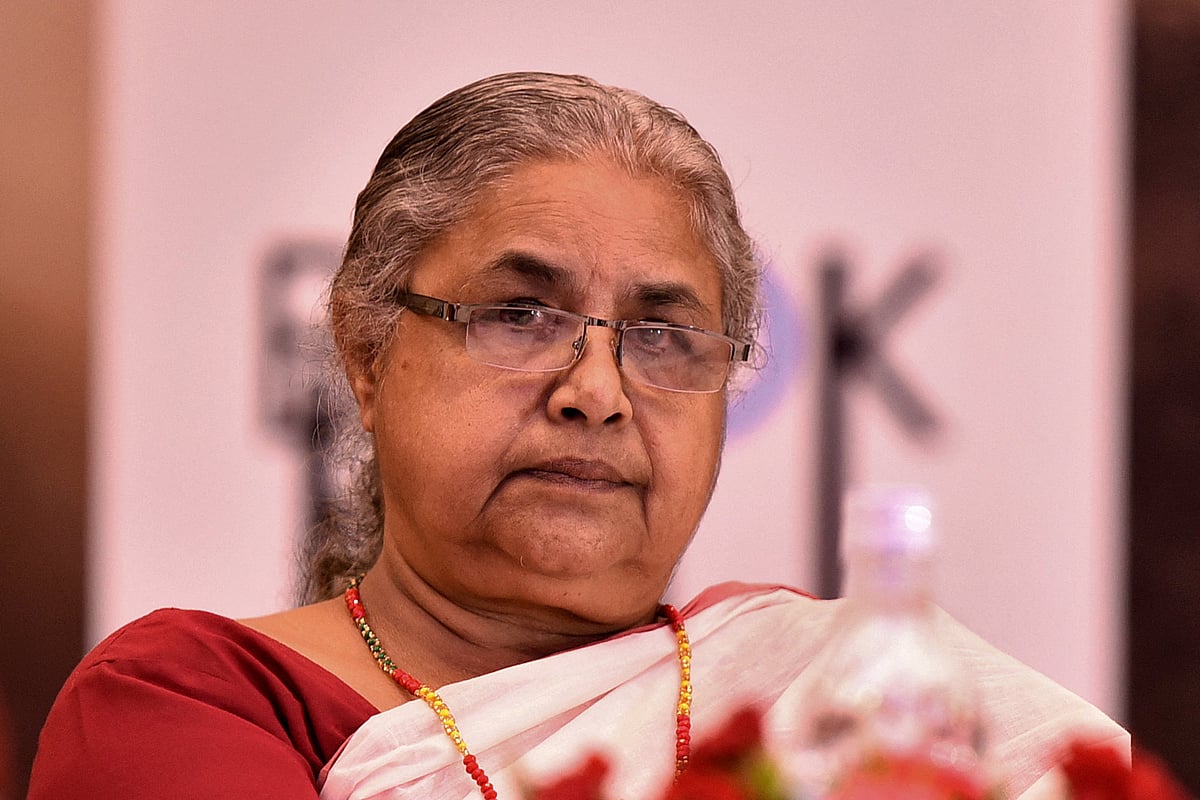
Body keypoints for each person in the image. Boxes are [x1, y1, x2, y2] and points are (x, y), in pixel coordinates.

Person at [28, 72, 1124, 799]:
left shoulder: (829, 689)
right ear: (367, 353)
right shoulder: (188, 697)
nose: (596, 389)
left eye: (664, 334)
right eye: (518, 314)